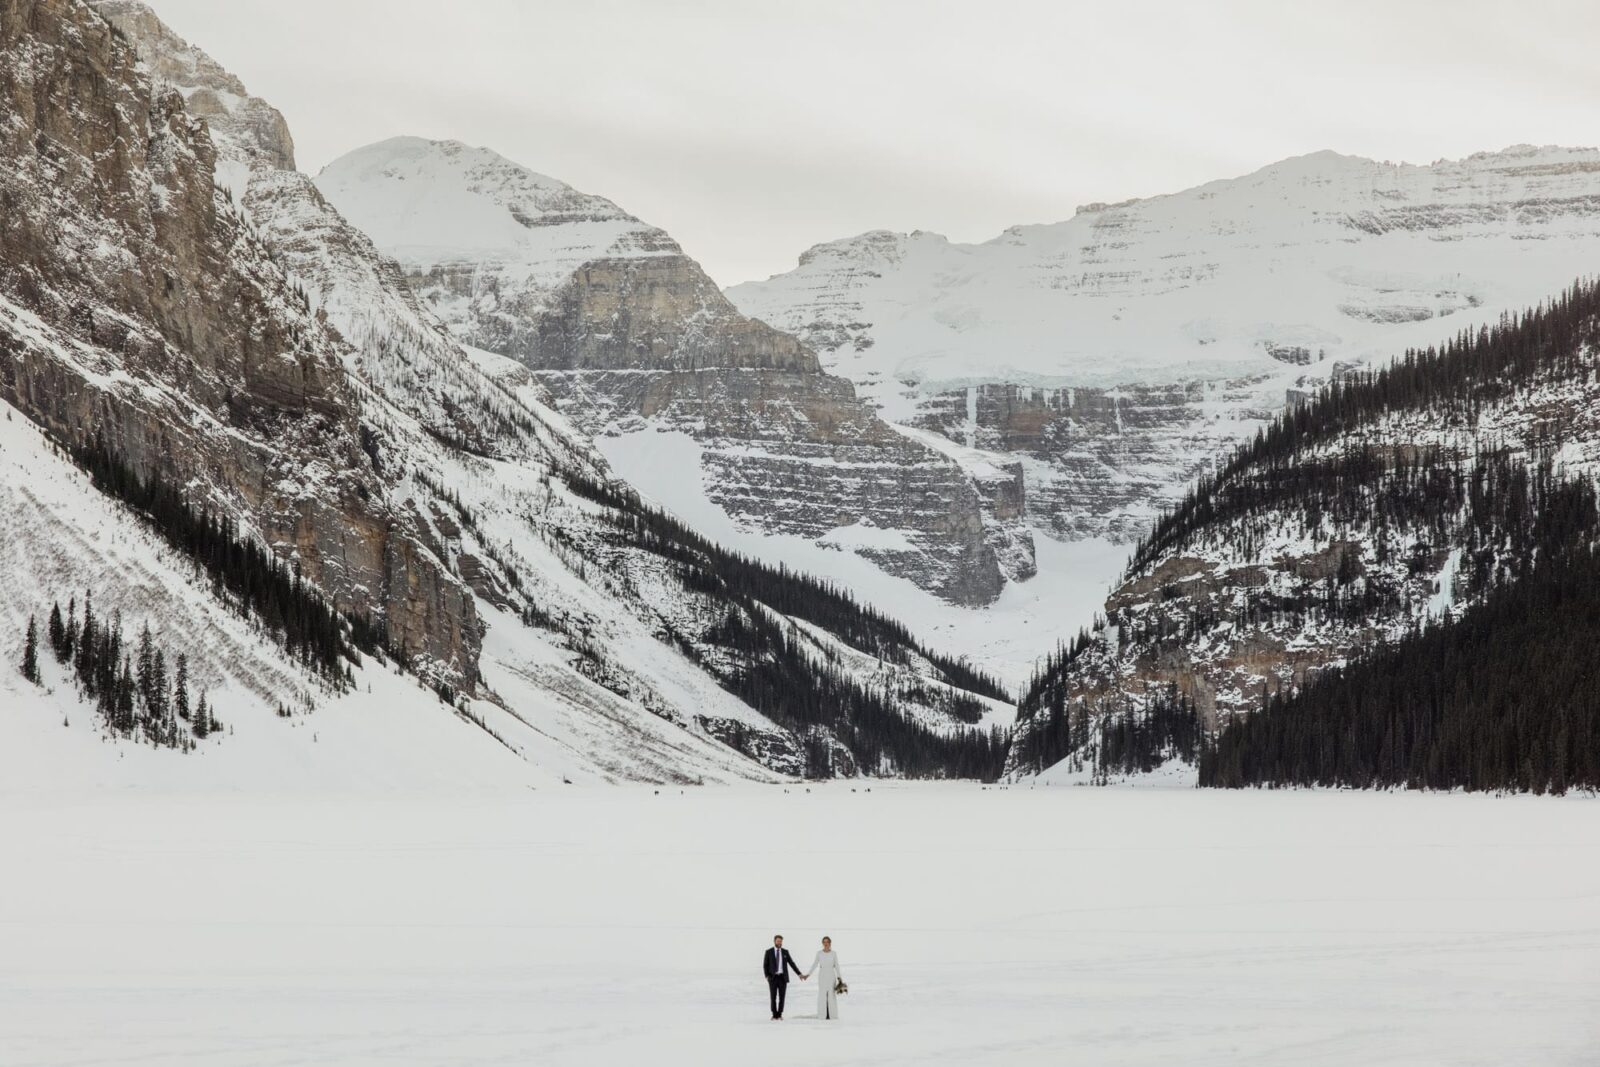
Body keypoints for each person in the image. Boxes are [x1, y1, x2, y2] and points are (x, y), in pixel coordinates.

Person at [762, 934, 805, 1019]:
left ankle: (780, 1014)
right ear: (774, 941)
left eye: (781, 941)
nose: (779, 942)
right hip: (773, 978)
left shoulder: (785, 952)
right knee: (773, 997)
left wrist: (799, 974)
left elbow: (792, 963)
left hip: (782, 978)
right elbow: (765, 965)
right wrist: (767, 976)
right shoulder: (769, 952)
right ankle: (774, 1015)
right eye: (778, 941)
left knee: (782, 997)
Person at [805, 935, 844, 1020]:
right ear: (822, 943)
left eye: (827, 942)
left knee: (831, 995)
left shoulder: (834, 953)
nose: (826, 943)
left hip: (831, 975)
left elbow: (837, 966)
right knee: (822, 995)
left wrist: (839, 977)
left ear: (830, 943)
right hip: (822, 976)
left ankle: (832, 1015)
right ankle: (822, 1015)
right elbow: (814, 964)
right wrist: (808, 974)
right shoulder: (819, 953)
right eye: (824, 942)